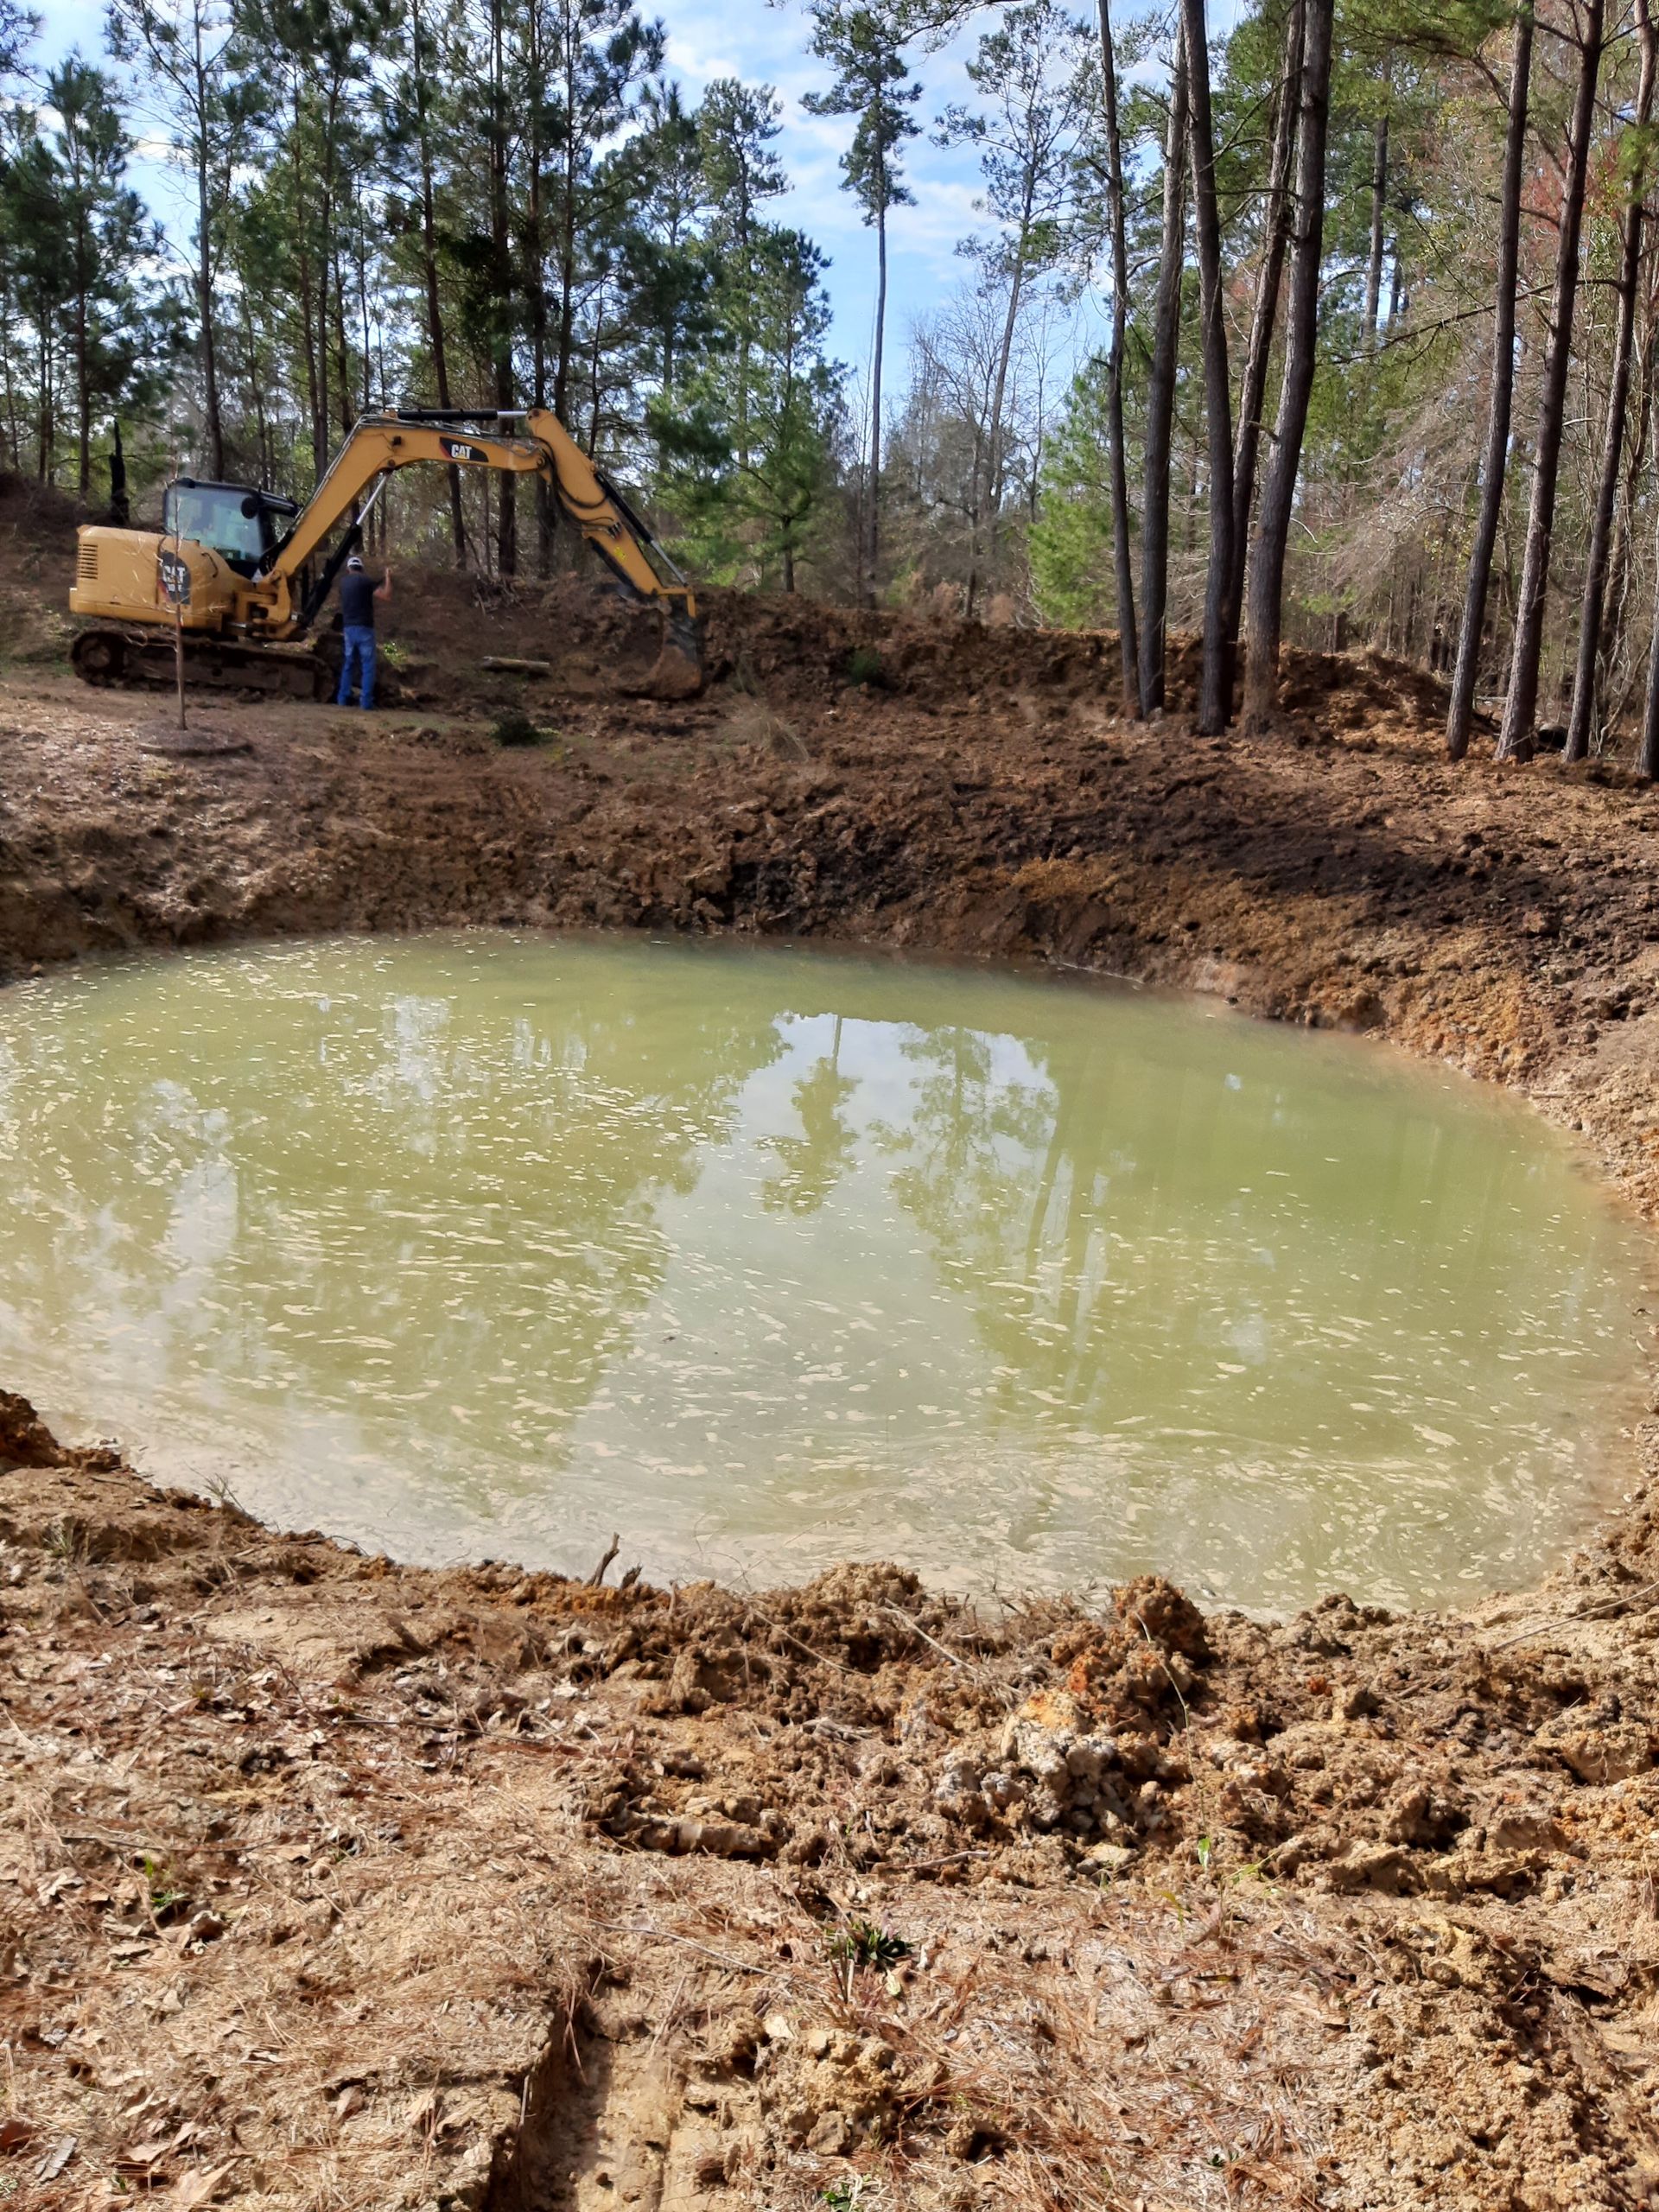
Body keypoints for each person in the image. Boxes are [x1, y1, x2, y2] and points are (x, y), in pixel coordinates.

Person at [334, 551, 392, 709]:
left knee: (348, 664)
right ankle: (366, 703)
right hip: (365, 629)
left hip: (348, 629)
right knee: (367, 665)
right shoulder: (367, 582)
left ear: (349, 569)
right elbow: (386, 596)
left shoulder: (343, 583)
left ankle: (342, 699)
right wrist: (387, 577)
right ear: (362, 568)